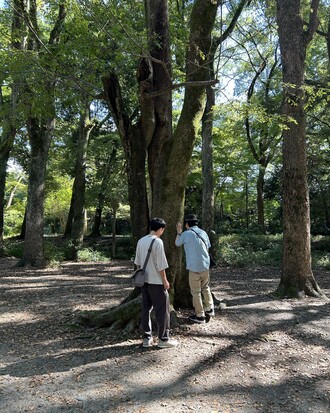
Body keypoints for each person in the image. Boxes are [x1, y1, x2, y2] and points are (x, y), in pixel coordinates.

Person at [134, 217, 178, 349]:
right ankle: (163, 339)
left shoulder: (141, 241)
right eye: (163, 229)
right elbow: (161, 265)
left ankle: (146, 338)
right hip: (156, 282)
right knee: (162, 310)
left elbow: (137, 263)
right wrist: (165, 281)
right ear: (160, 229)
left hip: (143, 281)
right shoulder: (158, 242)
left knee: (145, 310)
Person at [175, 214, 214, 324]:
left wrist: (179, 232)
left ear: (187, 224)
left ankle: (200, 315)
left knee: (196, 291)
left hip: (194, 267)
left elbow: (177, 243)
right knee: (205, 287)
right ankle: (209, 309)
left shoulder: (186, 234)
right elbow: (208, 246)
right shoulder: (203, 232)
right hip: (205, 265)